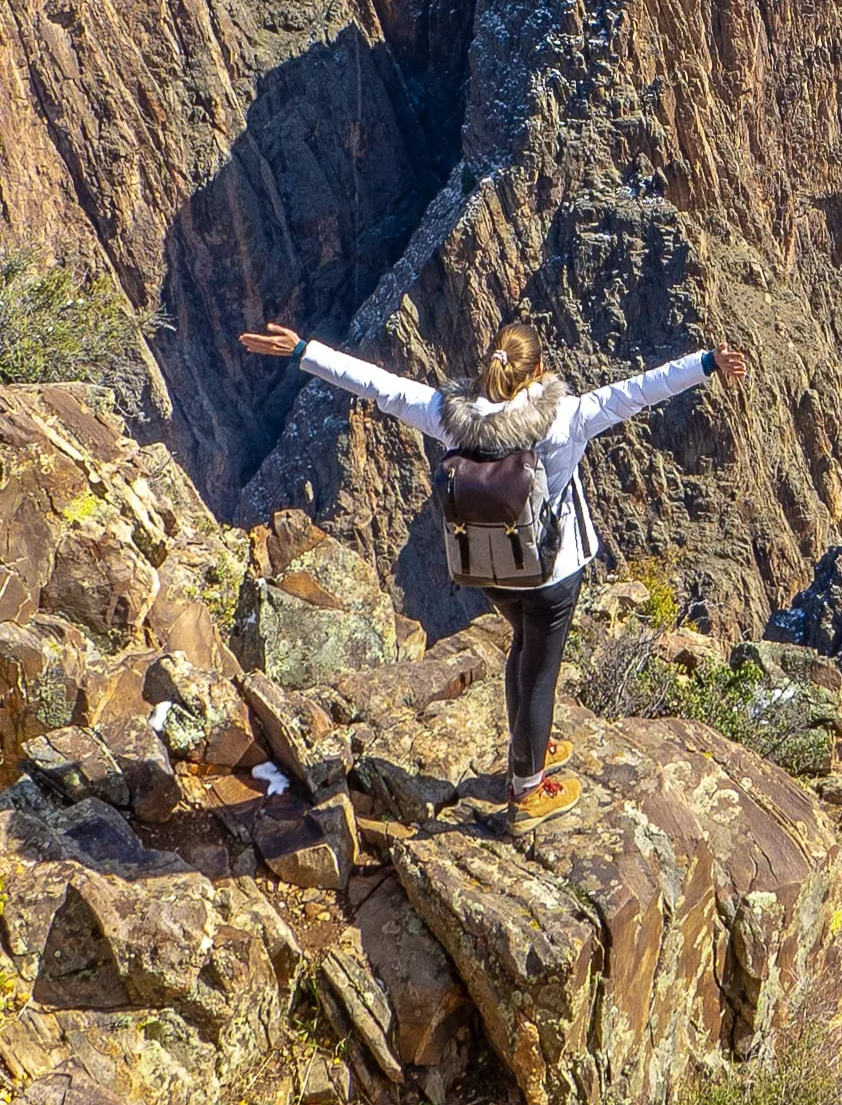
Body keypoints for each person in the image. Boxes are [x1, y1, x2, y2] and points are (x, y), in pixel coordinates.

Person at [240, 317, 748, 832]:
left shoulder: (452, 417)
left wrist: (304, 349)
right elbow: (640, 391)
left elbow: (378, 385)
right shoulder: (565, 417)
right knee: (540, 673)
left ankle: (527, 744)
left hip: (488, 569)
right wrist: (707, 363)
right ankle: (528, 791)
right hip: (552, 574)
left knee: (521, 648)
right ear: (539, 371)